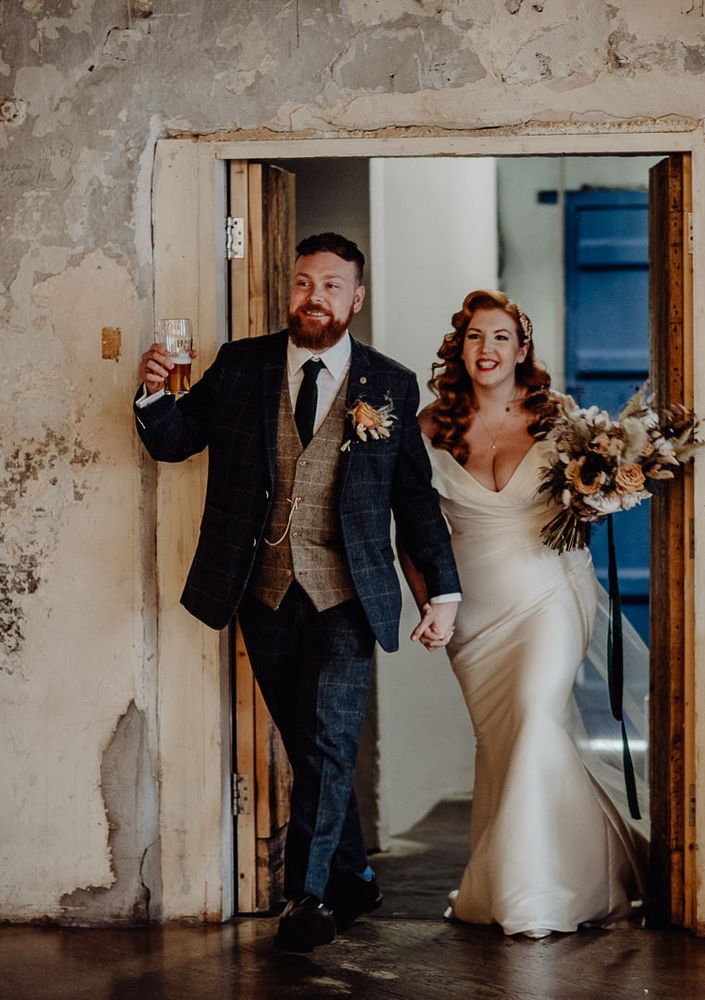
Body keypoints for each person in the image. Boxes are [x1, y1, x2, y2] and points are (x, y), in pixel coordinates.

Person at [134, 232, 460, 953]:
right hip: (262, 588)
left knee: (330, 740)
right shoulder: (242, 364)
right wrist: (155, 391)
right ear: (292, 291)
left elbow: (415, 496)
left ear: (356, 298)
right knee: (310, 747)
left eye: (332, 285)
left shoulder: (391, 385)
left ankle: (306, 898)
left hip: (349, 593)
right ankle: (356, 879)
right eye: (305, 283)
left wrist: (443, 592)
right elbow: (175, 442)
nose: (316, 297)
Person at [403, 290, 643, 939]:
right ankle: (559, 869)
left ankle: (538, 894)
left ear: (523, 349)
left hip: (549, 597)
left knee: (536, 717)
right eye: (475, 337)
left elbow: (588, 501)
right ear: (459, 349)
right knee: (507, 742)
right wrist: (431, 603)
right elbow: (412, 529)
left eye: (501, 337)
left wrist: (598, 505)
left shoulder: (559, 418)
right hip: (471, 613)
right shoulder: (427, 428)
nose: (488, 350)